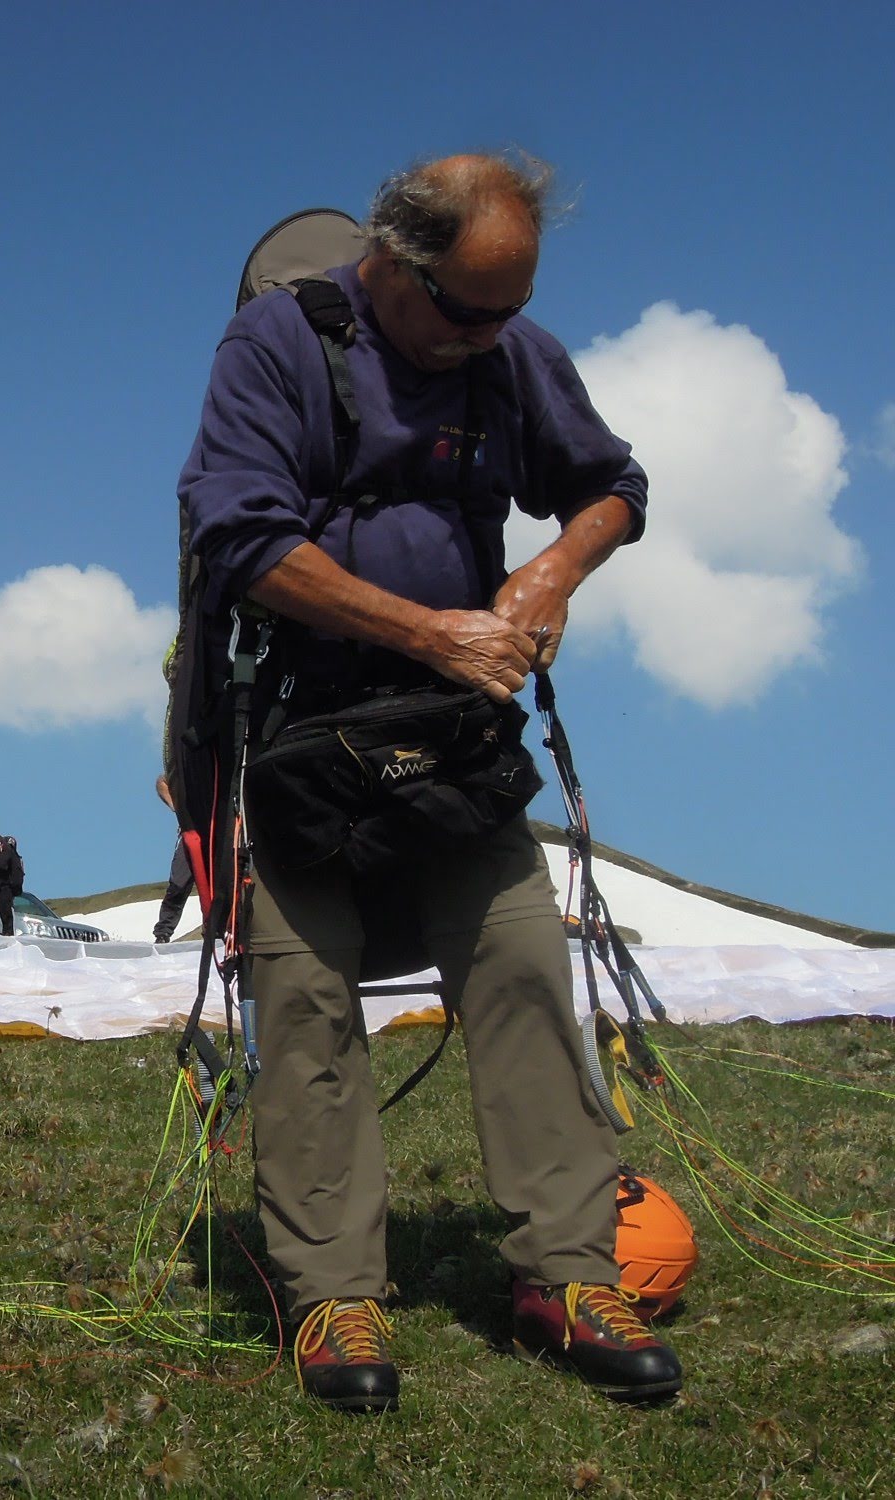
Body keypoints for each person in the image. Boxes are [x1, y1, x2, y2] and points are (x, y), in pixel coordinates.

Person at [178, 153, 680, 1411]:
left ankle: (564, 1272)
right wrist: (435, 631)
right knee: (300, 1003)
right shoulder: (275, 347)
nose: (488, 338)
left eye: (506, 311)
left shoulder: (505, 351)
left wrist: (548, 575)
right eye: (464, 310)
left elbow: (608, 488)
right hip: (301, 738)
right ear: (393, 268)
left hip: (452, 743)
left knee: (519, 966)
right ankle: (332, 1295)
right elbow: (236, 535)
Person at [152, 776, 196, 943]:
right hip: (190, 834)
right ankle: (163, 933)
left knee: (219, 886)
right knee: (178, 886)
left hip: (218, 834)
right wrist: (178, 809)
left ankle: (218, 931)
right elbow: (162, 782)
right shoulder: (188, 768)